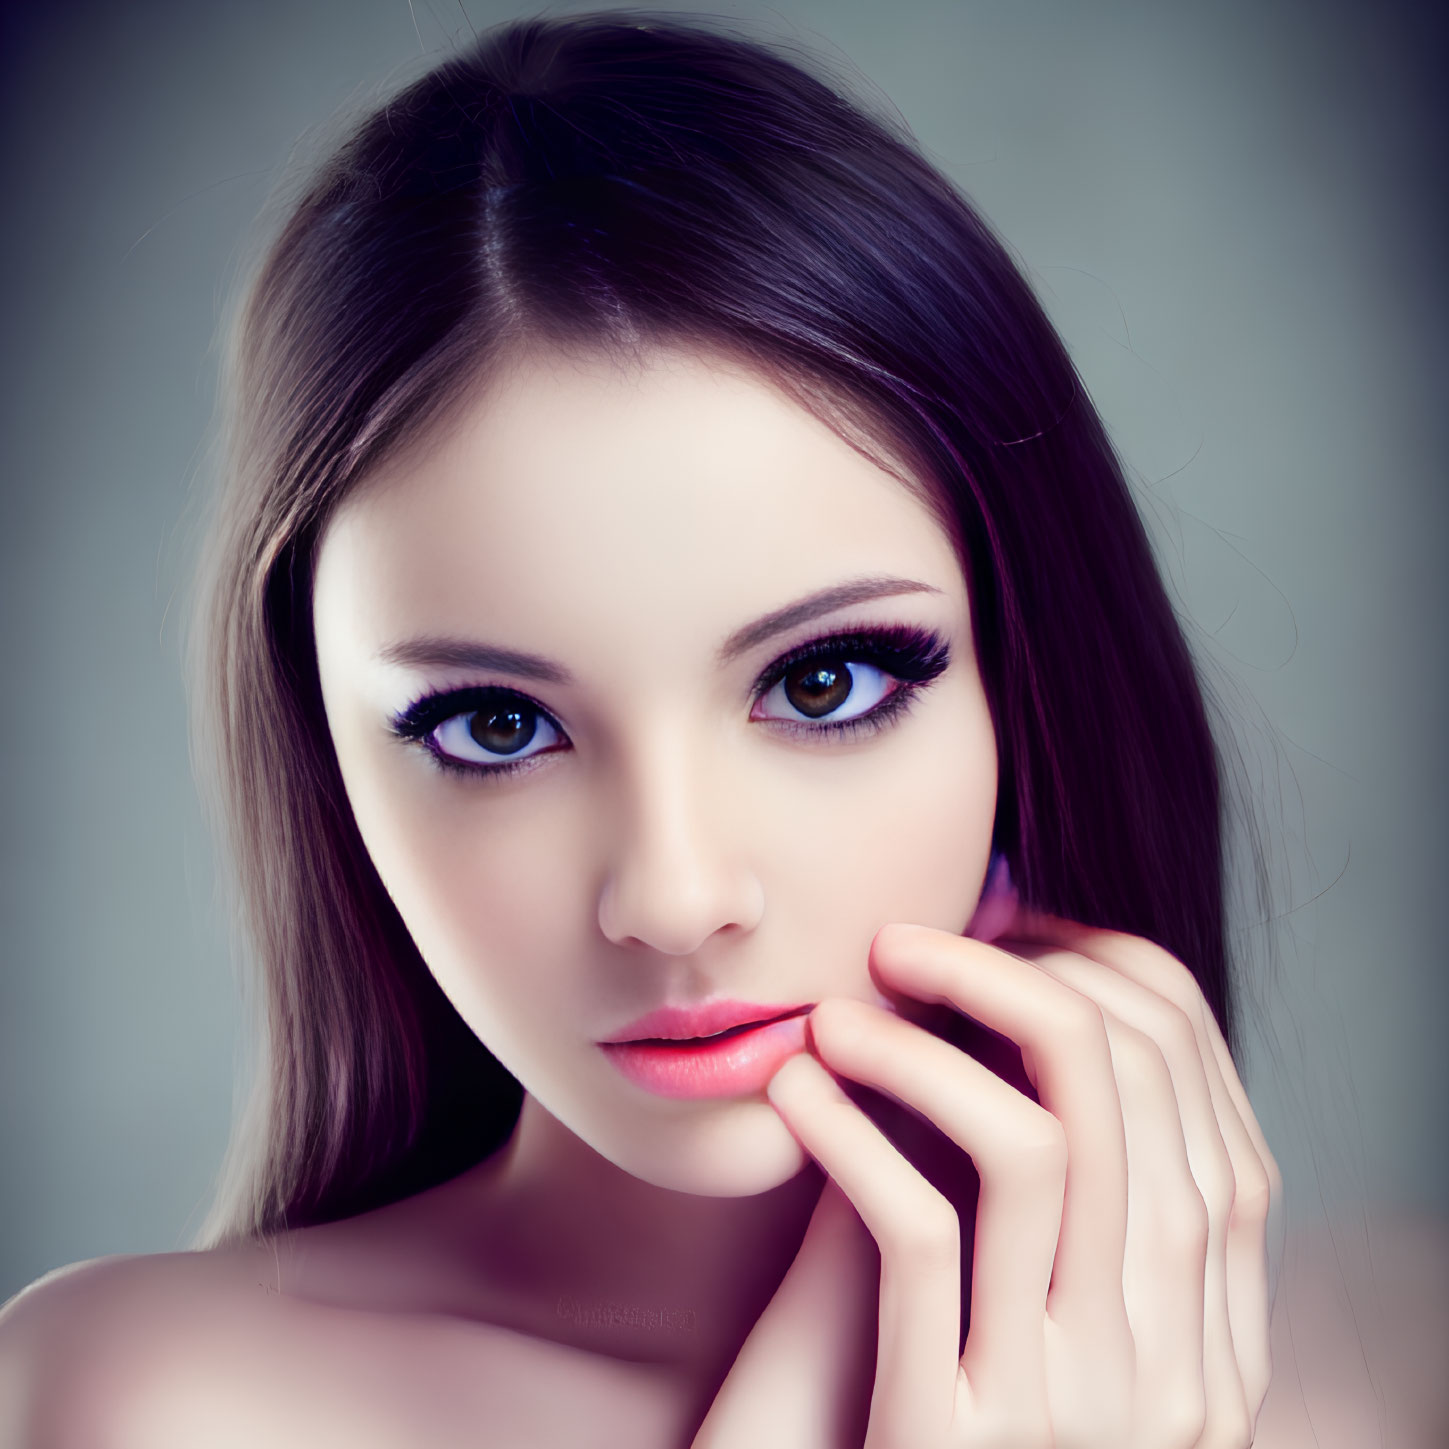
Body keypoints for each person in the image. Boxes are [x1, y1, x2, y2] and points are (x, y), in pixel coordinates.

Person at [0, 10, 1286, 1446]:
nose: (673, 894)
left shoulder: (1399, 1361)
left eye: (824, 683)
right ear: (330, 759)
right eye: (493, 724)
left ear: (1023, 677)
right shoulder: (142, 1402)